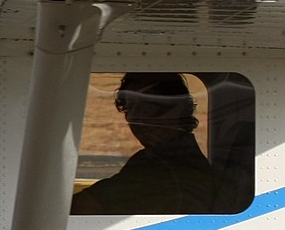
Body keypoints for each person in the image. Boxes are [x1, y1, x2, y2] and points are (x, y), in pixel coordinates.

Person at [71, 72, 218, 215]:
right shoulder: (165, 158)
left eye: (150, 107)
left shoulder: (161, 165)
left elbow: (87, 207)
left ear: (179, 108)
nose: (136, 119)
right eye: (129, 109)